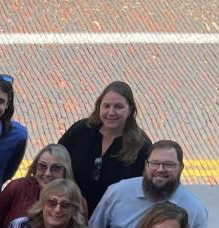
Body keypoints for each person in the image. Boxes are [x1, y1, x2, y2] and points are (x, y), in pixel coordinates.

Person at [88, 139, 208, 228]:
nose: (160, 169)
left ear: (181, 168)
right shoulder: (118, 192)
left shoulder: (195, 210)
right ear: (146, 165)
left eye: (169, 164)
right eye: (155, 163)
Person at [59, 81, 152, 209]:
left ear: (130, 110)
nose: (111, 112)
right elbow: (57, 160)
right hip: (70, 213)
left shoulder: (141, 146)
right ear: (99, 107)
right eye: (106, 106)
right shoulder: (81, 131)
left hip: (113, 219)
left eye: (118, 107)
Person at [0, 144, 86, 228]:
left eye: (56, 168)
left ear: (66, 171)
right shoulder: (17, 188)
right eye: (42, 166)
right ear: (35, 167)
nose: (47, 173)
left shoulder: (77, 201)